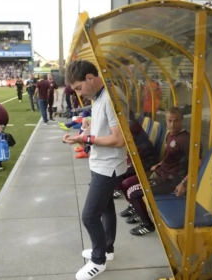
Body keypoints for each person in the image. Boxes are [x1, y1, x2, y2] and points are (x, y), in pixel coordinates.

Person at [63, 60, 129, 280]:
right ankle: (107, 249)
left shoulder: (111, 97)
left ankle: (98, 261)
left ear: (90, 78)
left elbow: (119, 139)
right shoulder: (100, 95)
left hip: (108, 166)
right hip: (102, 163)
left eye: (79, 88)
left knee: (89, 216)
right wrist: (81, 135)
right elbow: (102, 124)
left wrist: (87, 138)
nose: (80, 94)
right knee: (106, 208)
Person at [120, 107, 202, 236]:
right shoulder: (170, 135)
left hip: (170, 181)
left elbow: (197, 163)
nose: (172, 124)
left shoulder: (186, 140)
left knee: (133, 192)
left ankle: (147, 225)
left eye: (176, 121)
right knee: (126, 184)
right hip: (161, 173)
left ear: (182, 121)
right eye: (169, 121)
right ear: (166, 120)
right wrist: (160, 164)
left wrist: (184, 183)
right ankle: (137, 210)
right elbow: (172, 157)